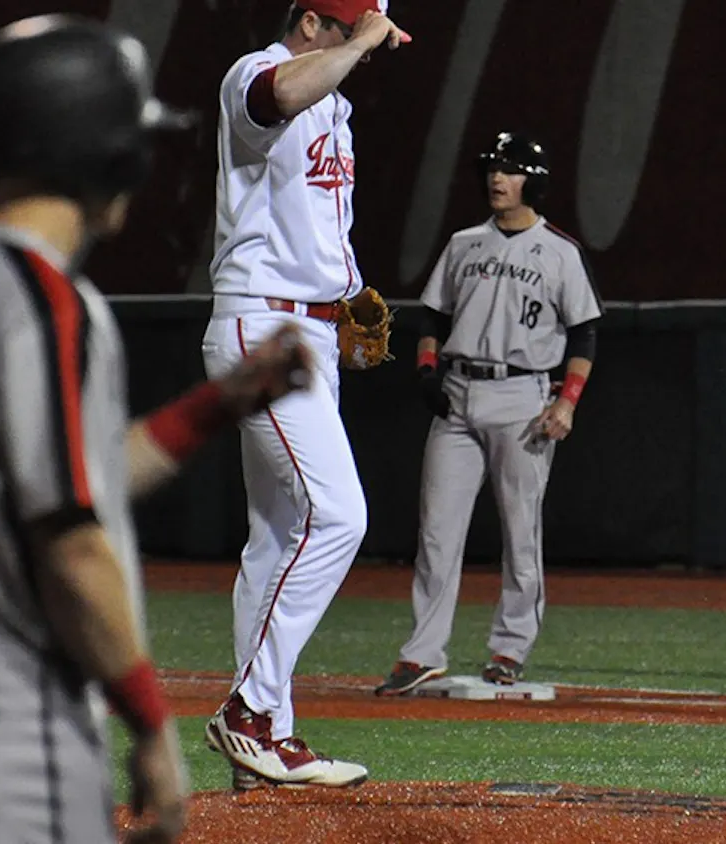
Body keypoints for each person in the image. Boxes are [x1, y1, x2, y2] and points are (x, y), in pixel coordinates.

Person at [0, 15, 315, 843]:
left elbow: (76, 476)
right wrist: (147, 719)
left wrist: (221, 402)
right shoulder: (43, 302)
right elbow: (70, 536)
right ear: (105, 154)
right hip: (4, 704)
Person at [200, 0, 410, 790]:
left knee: (277, 537)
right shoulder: (255, 74)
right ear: (321, 22)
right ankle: (249, 713)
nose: (376, 51)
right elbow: (274, 99)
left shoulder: (337, 107)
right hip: (265, 326)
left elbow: (321, 224)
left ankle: (266, 741)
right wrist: (358, 39)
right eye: (365, 34)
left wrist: (351, 294)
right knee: (339, 514)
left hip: (309, 328)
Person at [373, 130, 604, 697]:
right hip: (457, 393)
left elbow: (586, 334)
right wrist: (427, 371)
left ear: (535, 180)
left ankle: (509, 648)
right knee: (436, 531)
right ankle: (422, 653)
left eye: (510, 169)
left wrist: (566, 403)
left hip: (522, 398)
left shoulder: (560, 251)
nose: (497, 178)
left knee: (520, 532)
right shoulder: (464, 243)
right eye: (493, 168)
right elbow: (431, 318)